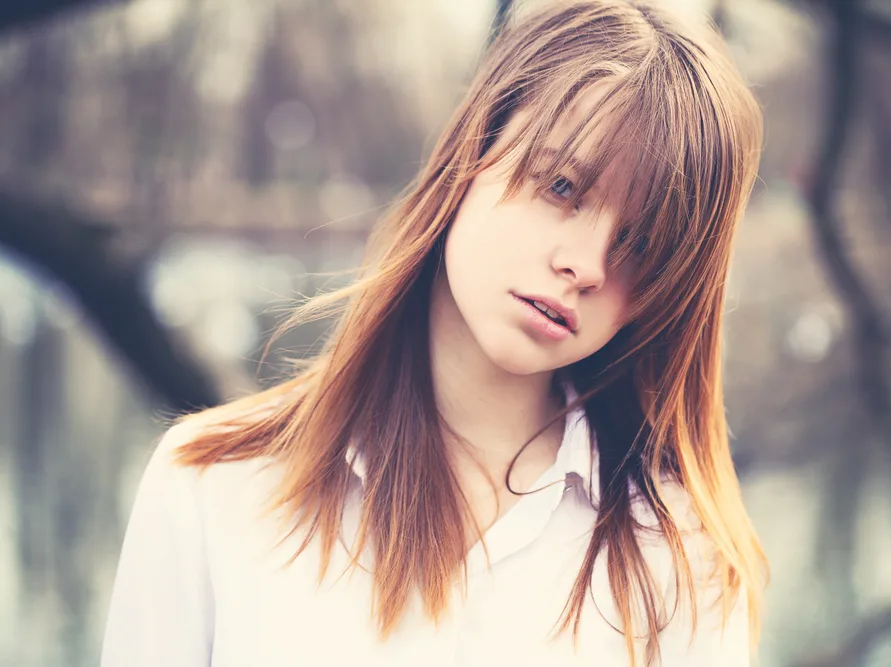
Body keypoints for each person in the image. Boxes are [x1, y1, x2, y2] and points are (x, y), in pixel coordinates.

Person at [101, 1, 767, 665]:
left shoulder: (685, 567)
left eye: (642, 243)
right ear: (474, 150)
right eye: (563, 185)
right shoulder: (213, 487)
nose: (586, 265)